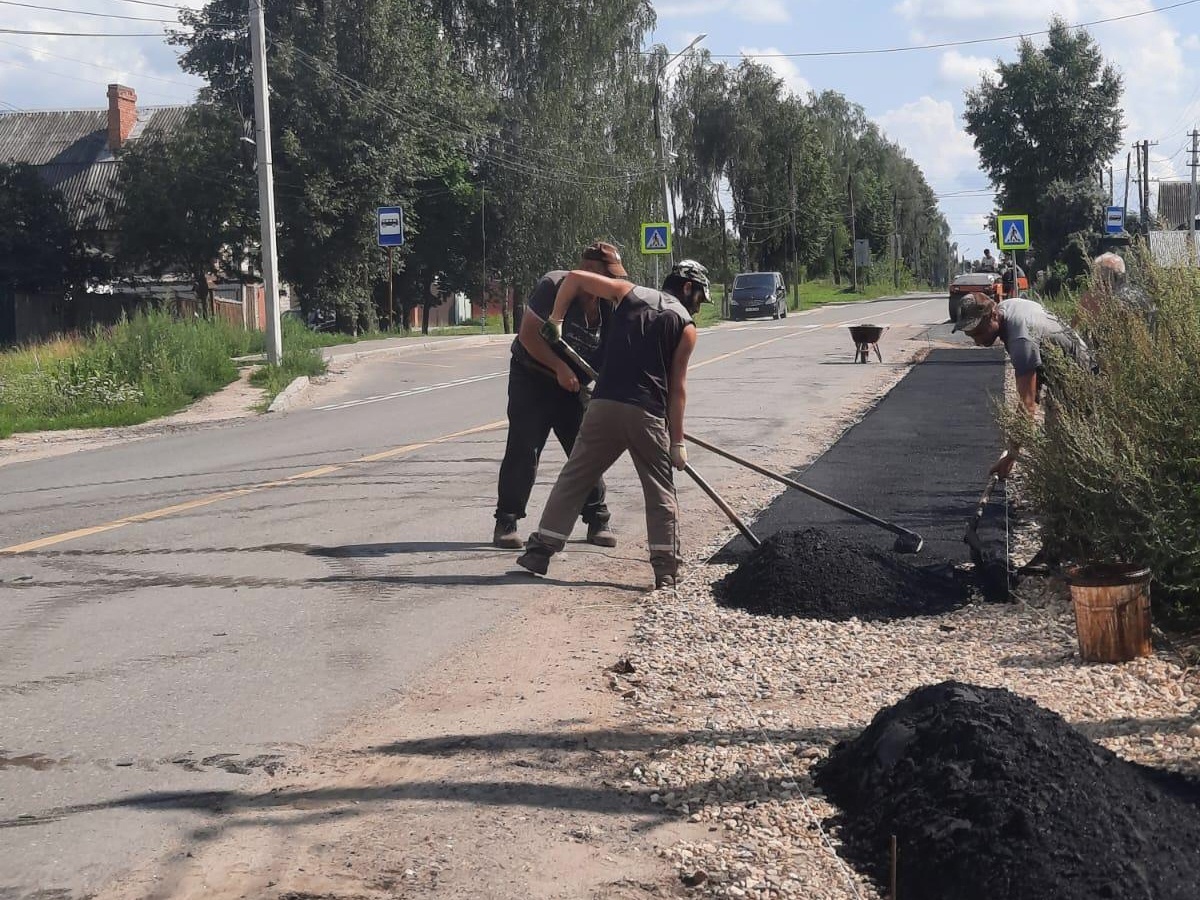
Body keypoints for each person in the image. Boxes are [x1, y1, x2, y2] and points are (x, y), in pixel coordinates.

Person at [516, 259, 709, 589]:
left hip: (604, 407)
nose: (699, 306)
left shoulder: (627, 292)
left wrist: (556, 319)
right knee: (660, 489)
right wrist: (676, 442)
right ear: (687, 287)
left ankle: (539, 552)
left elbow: (575, 278)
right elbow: (677, 390)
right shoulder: (686, 327)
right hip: (646, 414)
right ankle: (665, 569)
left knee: (575, 477)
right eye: (700, 297)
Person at [492, 243, 627, 550]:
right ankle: (506, 521)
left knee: (586, 450)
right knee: (524, 447)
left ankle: (597, 519)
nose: (612, 283)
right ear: (590, 272)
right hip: (533, 377)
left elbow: (613, 354)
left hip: (574, 387)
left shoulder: (609, 304)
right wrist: (558, 367)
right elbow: (528, 336)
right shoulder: (554, 285)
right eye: (608, 276)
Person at [952, 292, 1094, 480]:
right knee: (1057, 440)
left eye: (979, 332)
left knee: (1066, 445)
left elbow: (1027, 405)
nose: (976, 341)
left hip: (1078, 377)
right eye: (970, 335)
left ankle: (1076, 494)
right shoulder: (1008, 307)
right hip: (1062, 370)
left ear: (994, 315)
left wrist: (1011, 455)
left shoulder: (1021, 339)